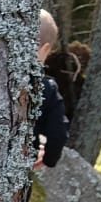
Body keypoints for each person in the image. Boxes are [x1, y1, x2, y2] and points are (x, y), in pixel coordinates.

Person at [35, 10, 70, 167]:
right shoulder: (46, 89)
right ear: (45, 49)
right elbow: (58, 133)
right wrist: (48, 159)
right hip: (16, 164)